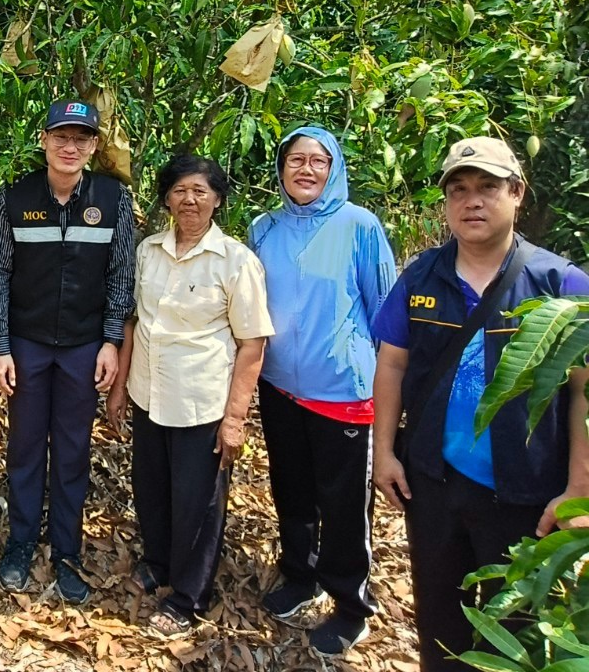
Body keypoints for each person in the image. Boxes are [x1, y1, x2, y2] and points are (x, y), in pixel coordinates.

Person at [372, 136, 589, 672]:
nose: (472, 201)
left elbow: (584, 389)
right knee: (439, 616)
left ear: (517, 193)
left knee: (518, 623)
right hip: (434, 482)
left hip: (525, 491)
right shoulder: (420, 277)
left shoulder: (562, 284)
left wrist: (579, 488)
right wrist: (385, 452)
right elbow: (392, 364)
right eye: (459, 190)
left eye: (488, 188)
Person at [108, 155, 273, 636]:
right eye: (180, 190)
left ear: (217, 199)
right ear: (166, 198)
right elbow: (134, 322)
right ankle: (158, 564)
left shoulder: (236, 262)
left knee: (197, 504)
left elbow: (252, 345)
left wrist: (235, 419)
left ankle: (188, 596)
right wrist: (119, 388)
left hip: (201, 403)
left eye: (200, 191)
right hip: (149, 394)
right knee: (152, 490)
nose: (189, 200)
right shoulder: (148, 251)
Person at [247, 127, 396, 654]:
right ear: (281, 167)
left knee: (344, 503)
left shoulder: (359, 225)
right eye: (296, 159)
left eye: (318, 161)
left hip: (342, 391)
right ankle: (300, 575)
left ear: (334, 170)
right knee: (291, 490)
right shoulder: (263, 227)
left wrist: (381, 382)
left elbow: (385, 312)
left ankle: (351, 604)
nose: (306, 169)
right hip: (279, 386)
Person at [0, 98, 135, 604]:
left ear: (93, 146)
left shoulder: (112, 199)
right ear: (44, 140)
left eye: (81, 138)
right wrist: (0, 344)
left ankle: (66, 550)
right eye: (61, 137)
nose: (70, 146)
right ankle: (21, 542)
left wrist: (111, 341)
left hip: (83, 348)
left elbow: (121, 275)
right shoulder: (14, 197)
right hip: (26, 345)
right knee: (25, 446)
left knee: (72, 450)